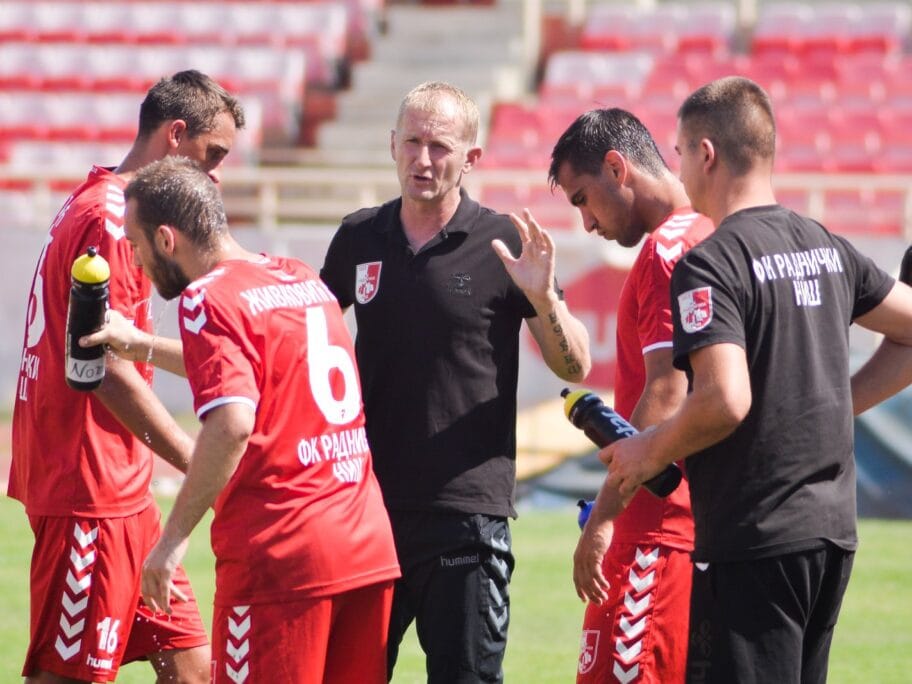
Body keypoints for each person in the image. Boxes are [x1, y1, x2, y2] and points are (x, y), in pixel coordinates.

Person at [600, 76, 912, 683]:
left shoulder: (710, 262)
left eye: (682, 152)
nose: (680, 170)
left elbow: (724, 400)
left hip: (754, 535)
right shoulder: (824, 244)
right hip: (832, 534)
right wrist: (835, 404)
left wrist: (645, 451)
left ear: (707, 153)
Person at [81, 156, 402, 683]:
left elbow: (232, 420)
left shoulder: (207, 297)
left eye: (136, 246)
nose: (134, 261)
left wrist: (172, 541)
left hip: (282, 558)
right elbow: (248, 367)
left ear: (167, 239)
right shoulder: (297, 277)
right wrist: (141, 345)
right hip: (364, 546)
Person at [319, 81, 592, 682]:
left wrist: (543, 297)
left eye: (440, 146)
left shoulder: (504, 242)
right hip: (368, 509)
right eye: (412, 142)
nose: (423, 159)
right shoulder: (358, 237)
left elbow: (574, 366)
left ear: (472, 158)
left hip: (466, 514)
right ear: (392, 144)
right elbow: (308, 343)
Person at [10, 70, 245, 684]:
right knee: (66, 677)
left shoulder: (103, 201)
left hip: (123, 492)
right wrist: (203, 465)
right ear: (175, 136)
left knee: (195, 670)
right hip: (89, 486)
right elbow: (105, 368)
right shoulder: (113, 220)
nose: (215, 174)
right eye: (211, 154)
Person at [549, 108, 713, 683]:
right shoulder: (715, 231)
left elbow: (664, 394)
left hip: (657, 530)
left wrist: (603, 520)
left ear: (617, 168)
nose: (587, 223)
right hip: (700, 527)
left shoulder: (667, 252)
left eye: (582, 199)